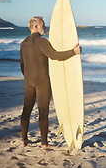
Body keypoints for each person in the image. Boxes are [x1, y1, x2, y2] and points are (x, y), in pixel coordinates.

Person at [20, 16, 81, 148]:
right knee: (43, 111)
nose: (45, 27)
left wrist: (28, 78)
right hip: (42, 83)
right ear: (36, 26)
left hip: (28, 82)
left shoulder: (23, 43)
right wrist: (73, 52)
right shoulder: (42, 42)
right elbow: (54, 56)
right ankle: (44, 143)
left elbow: (22, 65)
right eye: (43, 24)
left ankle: (24, 140)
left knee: (26, 110)